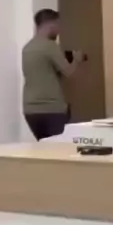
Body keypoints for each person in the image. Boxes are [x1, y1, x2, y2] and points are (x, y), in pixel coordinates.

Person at [22, 9, 84, 140]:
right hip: (52, 109)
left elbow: (42, 72)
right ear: (51, 24)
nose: (59, 30)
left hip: (30, 110)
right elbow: (69, 72)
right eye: (58, 25)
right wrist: (77, 59)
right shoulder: (50, 46)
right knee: (58, 147)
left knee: (44, 146)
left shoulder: (27, 48)